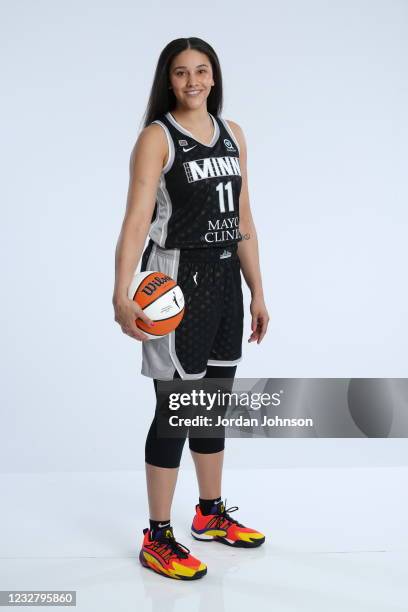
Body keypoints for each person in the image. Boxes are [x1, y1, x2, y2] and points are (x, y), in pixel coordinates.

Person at [112, 37, 269, 581]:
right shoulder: (157, 138)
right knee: (176, 409)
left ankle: (209, 512)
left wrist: (258, 290)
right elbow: (136, 220)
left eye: (202, 71)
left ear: (215, 76)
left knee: (211, 406)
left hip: (226, 281)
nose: (193, 81)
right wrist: (120, 291)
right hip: (176, 283)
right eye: (181, 73)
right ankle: (157, 536)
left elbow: (244, 217)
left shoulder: (234, 136)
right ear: (168, 80)